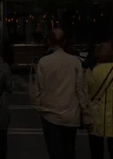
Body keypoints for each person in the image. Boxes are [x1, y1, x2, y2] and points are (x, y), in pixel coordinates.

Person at [31, 28, 91, 159]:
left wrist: (38, 107)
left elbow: (37, 89)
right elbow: (80, 89)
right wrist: (85, 110)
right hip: (70, 113)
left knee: (54, 152)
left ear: (49, 42)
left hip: (50, 113)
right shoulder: (75, 62)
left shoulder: (43, 62)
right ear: (64, 42)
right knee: (69, 150)